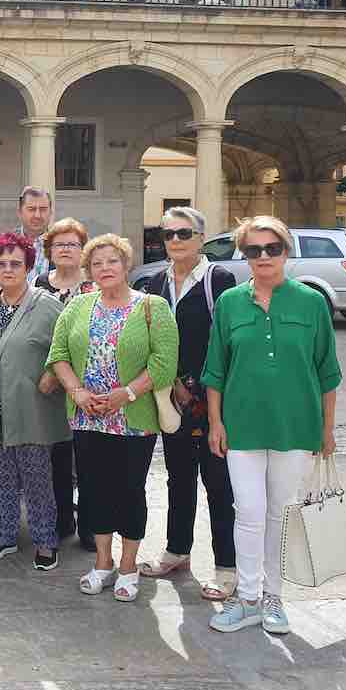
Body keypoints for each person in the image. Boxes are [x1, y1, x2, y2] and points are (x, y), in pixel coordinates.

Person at [205, 216, 341, 636]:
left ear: (286, 252)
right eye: (253, 250)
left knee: (279, 514)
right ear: (243, 255)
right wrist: (215, 423)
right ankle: (246, 598)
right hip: (242, 426)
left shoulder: (311, 302)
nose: (263, 257)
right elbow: (216, 371)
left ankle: (273, 598)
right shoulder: (229, 303)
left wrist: (327, 429)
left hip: (296, 426)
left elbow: (327, 371)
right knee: (248, 512)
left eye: (272, 248)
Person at [47, 233, 178, 602]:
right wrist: (78, 393)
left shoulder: (152, 307)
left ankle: (128, 565)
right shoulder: (78, 306)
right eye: (97, 263)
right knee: (93, 491)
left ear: (126, 265)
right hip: (88, 417)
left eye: (112, 261)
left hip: (132, 419)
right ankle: (102, 563)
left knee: (130, 491)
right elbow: (58, 355)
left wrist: (127, 393)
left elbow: (164, 361)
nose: (105, 268)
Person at [139, 207, 239, 601]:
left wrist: (195, 385)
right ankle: (177, 550)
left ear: (201, 237)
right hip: (170, 398)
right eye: (168, 235)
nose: (176, 241)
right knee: (178, 478)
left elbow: (223, 342)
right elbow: (151, 340)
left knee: (219, 484)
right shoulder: (154, 284)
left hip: (211, 399)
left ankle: (227, 567)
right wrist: (172, 383)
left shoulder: (219, 279)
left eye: (184, 234)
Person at [0, 232, 67, 570]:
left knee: (37, 476)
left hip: (31, 406)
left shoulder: (47, 305)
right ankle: (3, 533)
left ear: (28, 266)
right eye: (0, 263)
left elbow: (67, 347)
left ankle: (45, 540)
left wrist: (53, 374)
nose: (8, 269)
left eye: (16, 263)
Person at [34, 215, 91, 548]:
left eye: (73, 244)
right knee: (56, 456)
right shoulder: (41, 283)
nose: (66, 250)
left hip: (88, 382)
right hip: (48, 384)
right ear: (49, 250)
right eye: (60, 245)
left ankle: (91, 525)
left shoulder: (93, 284)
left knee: (87, 458)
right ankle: (60, 521)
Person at [16, 187, 54, 282]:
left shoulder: (60, 244)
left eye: (43, 209)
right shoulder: (5, 244)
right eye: (31, 209)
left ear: (51, 213)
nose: (37, 215)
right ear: (20, 212)